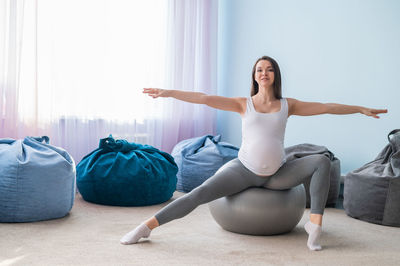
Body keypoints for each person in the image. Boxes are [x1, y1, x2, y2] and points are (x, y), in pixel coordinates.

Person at [120, 55, 388, 251]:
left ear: (275, 76)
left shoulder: (287, 105)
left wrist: (360, 108)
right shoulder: (242, 104)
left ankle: (314, 225)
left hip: (277, 174)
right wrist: (168, 93)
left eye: (269, 69)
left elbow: (326, 107)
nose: (264, 73)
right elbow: (203, 98)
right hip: (244, 170)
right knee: (198, 194)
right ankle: (146, 228)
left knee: (322, 160)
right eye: (259, 69)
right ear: (254, 75)